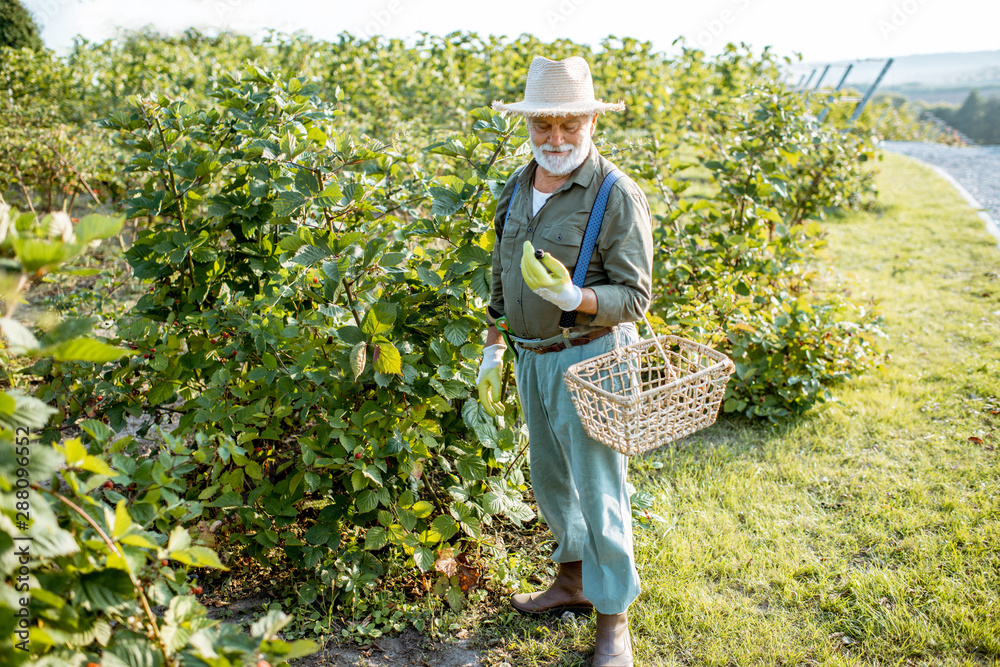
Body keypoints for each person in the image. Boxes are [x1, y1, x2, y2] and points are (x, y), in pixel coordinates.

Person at [476, 55, 653, 667]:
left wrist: (577, 298)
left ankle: (614, 620)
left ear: (590, 124)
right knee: (550, 481)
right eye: (543, 126)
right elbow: (503, 268)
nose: (555, 140)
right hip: (531, 358)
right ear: (528, 126)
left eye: (568, 126)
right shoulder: (518, 186)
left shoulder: (615, 193)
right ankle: (572, 583)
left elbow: (635, 296)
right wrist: (494, 343)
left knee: (600, 487)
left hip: (592, 358)